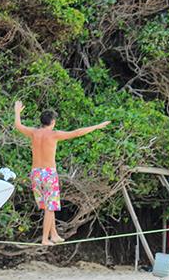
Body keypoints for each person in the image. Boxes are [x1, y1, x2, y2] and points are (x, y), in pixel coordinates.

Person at [14, 101, 110, 245]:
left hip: (35, 173)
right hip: (48, 173)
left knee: (48, 205)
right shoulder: (54, 134)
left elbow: (18, 126)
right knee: (50, 208)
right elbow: (77, 133)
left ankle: (54, 235)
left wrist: (17, 113)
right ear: (52, 122)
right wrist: (96, 126)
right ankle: (45, 238)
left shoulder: (34, 132)